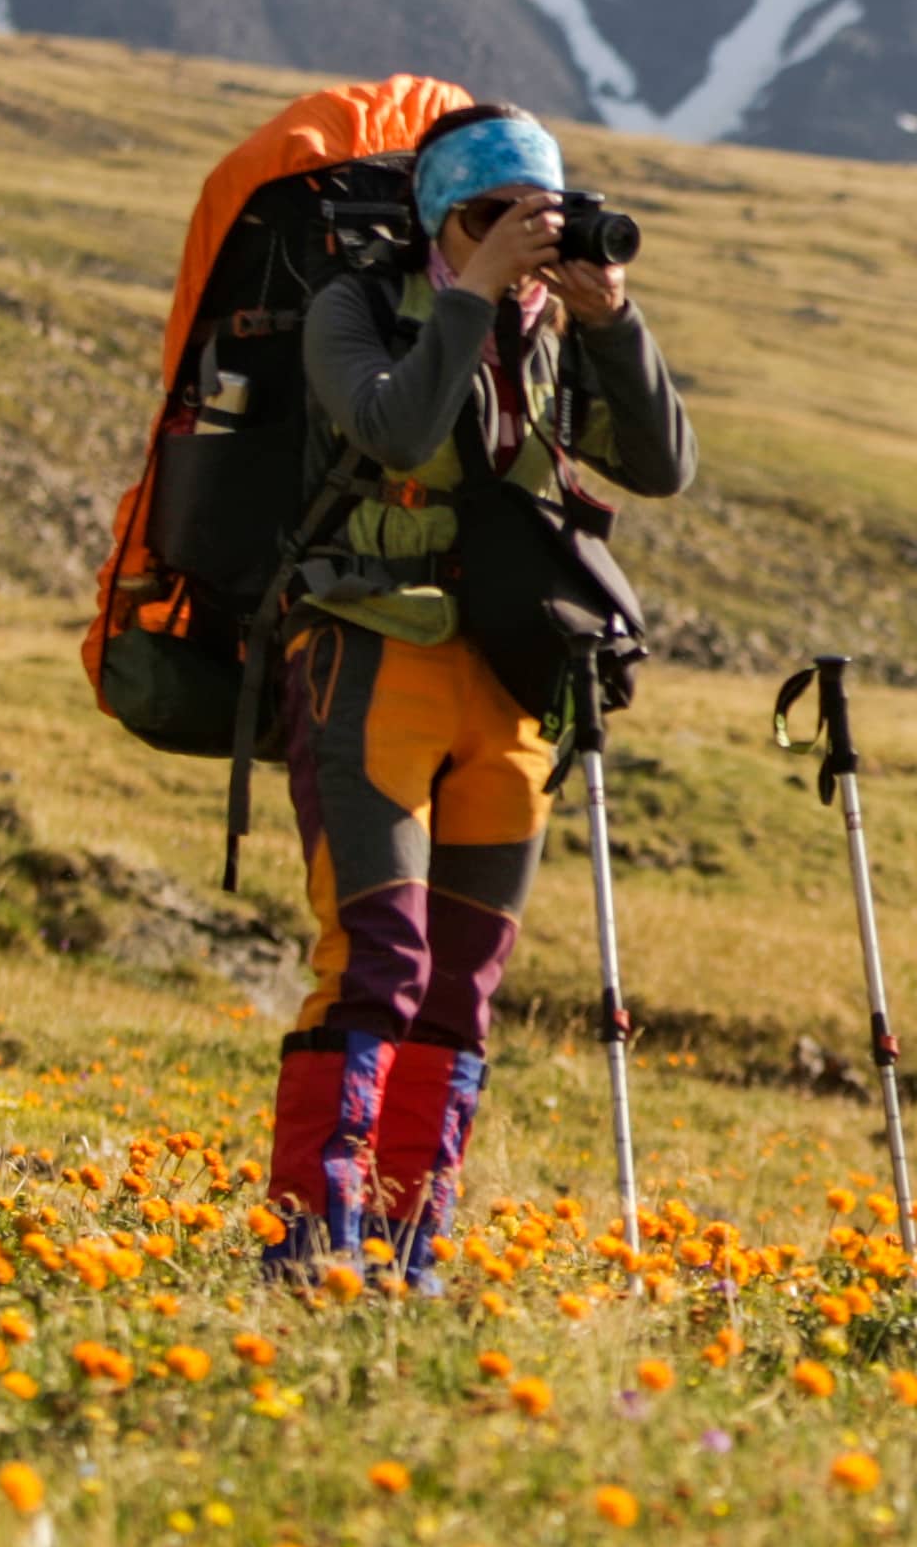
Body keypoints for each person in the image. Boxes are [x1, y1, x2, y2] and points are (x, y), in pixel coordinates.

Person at [261, 104, 695, 1289]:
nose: (512, 238)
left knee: (462, 973)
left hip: (506, 680)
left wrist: (614, 323)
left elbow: (662, 464)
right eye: (484, 216)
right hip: (367, 652)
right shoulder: (355, 308)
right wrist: (468, 295)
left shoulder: (552, 328)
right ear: (435, 219)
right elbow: (397, 432)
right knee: (376, 953)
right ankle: (310, 1240)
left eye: (532, 217)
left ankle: (408, 1247)